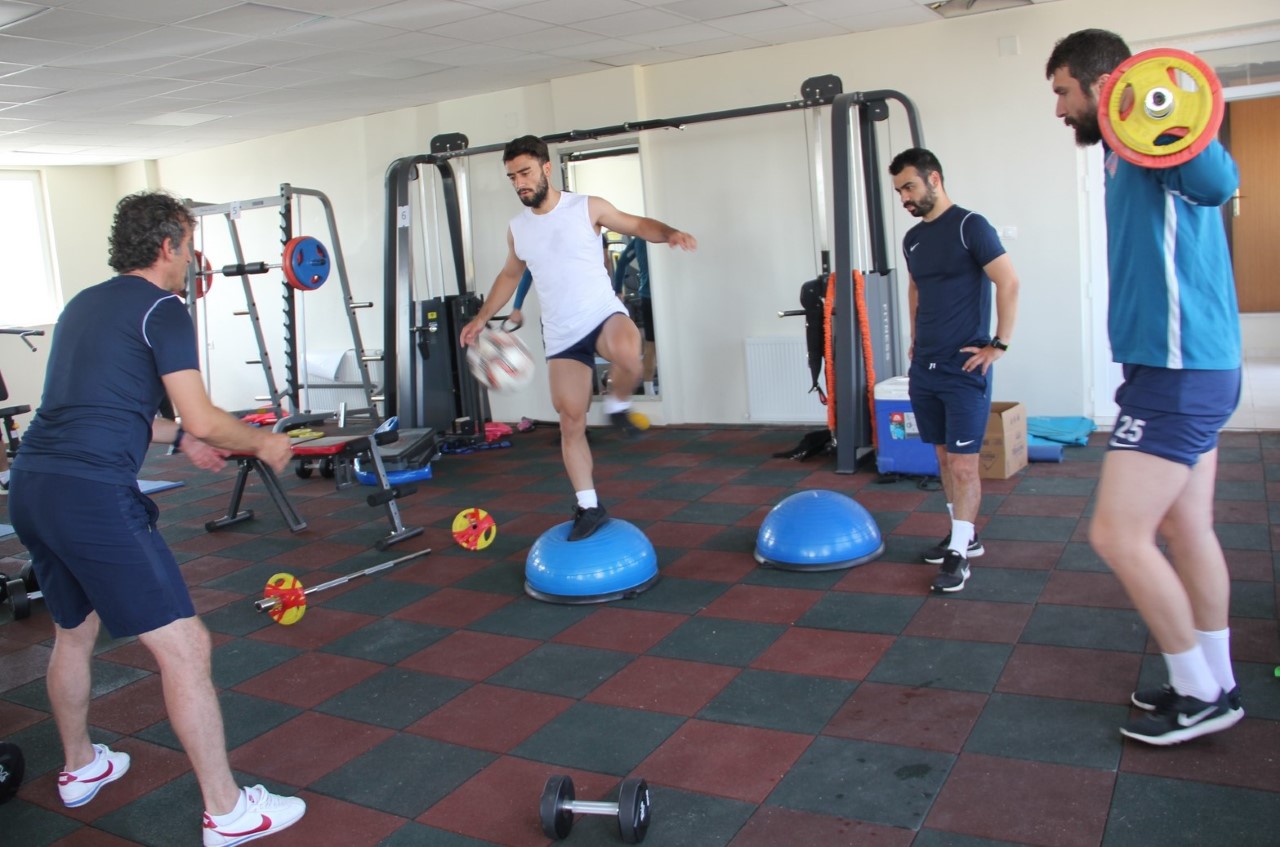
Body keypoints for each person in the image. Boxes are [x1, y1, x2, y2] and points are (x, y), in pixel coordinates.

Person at [8, 191, 307, 845]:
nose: (192, 259)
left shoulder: (83, 305)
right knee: (186, 646)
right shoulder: (163, 309)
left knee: (73, 632)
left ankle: (81, 766)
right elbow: (203, 414)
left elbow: (114, 410)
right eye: (189, 244)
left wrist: (182, 438)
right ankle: (227, 811)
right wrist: (262, 442)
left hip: (32, 486)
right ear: (169, 245)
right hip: (91, 497)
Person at [1046, 29, 1244, 745]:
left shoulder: (1154, 136)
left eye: (1064, 91)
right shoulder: (1117, 152)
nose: (1059, 108)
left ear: (1104, 85)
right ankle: (1216, 679)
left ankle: (1199, 692)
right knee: (1187, 527)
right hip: (1181, 367)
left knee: (1116, 532)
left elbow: (1218, 184)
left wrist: (1159, 103)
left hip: (1179, 371)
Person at [460, 135, 696, 541]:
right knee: (571, 422)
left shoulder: (588, 207)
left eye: (525, 173)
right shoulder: (518, 229)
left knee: (629, 354)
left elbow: (638, 225)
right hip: (561, 336)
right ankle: (589, 505)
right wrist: (482, 317)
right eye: (512, 177)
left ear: (546, 168)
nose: (519, 183)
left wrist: (670, 232)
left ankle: (618, 402)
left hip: (601, 314)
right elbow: (511, 274)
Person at [888, 147, 1021, 593]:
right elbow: (915, 288)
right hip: (925, 366)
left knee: (964, 465)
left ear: (934, 179)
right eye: (899, 191)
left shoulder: (970, 226)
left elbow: (1008, 281)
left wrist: (999, 343)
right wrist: (914, 338)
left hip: (963, 367)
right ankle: (965, 535)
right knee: (944, 459)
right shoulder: (913, 239)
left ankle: (959, 556)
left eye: (909, 187)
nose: (905, 198)